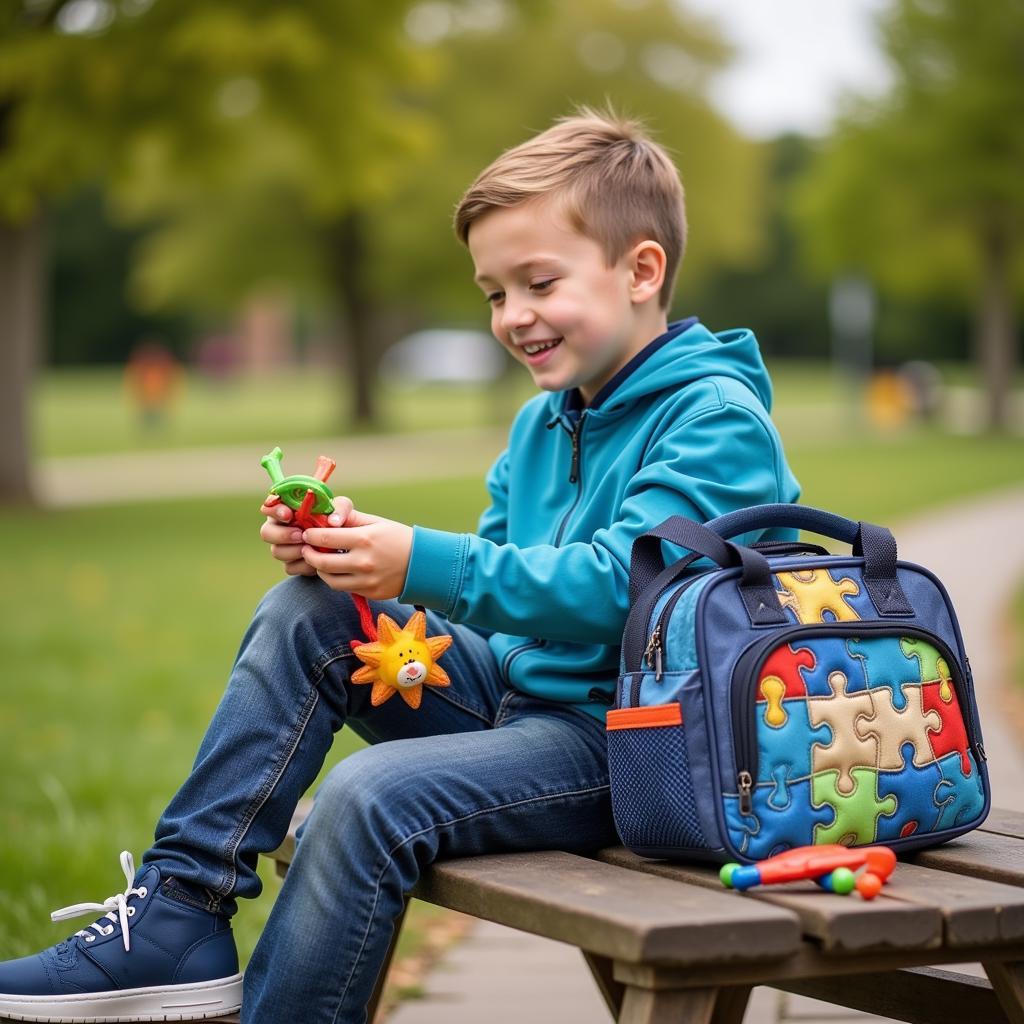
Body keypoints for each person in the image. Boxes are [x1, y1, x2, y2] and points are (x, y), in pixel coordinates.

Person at [0, 104, 801, 1023]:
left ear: (642, 270)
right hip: (518, 700)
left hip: (639, 743)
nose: (515, 316)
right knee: (312, 613)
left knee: (367, 796)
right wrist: (350, 558)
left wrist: (418, 561)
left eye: (538, 282)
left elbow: (628, 588)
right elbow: (503, 582)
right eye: (495, 293)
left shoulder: (714, 419)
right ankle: (180, 913)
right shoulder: (544, 421)